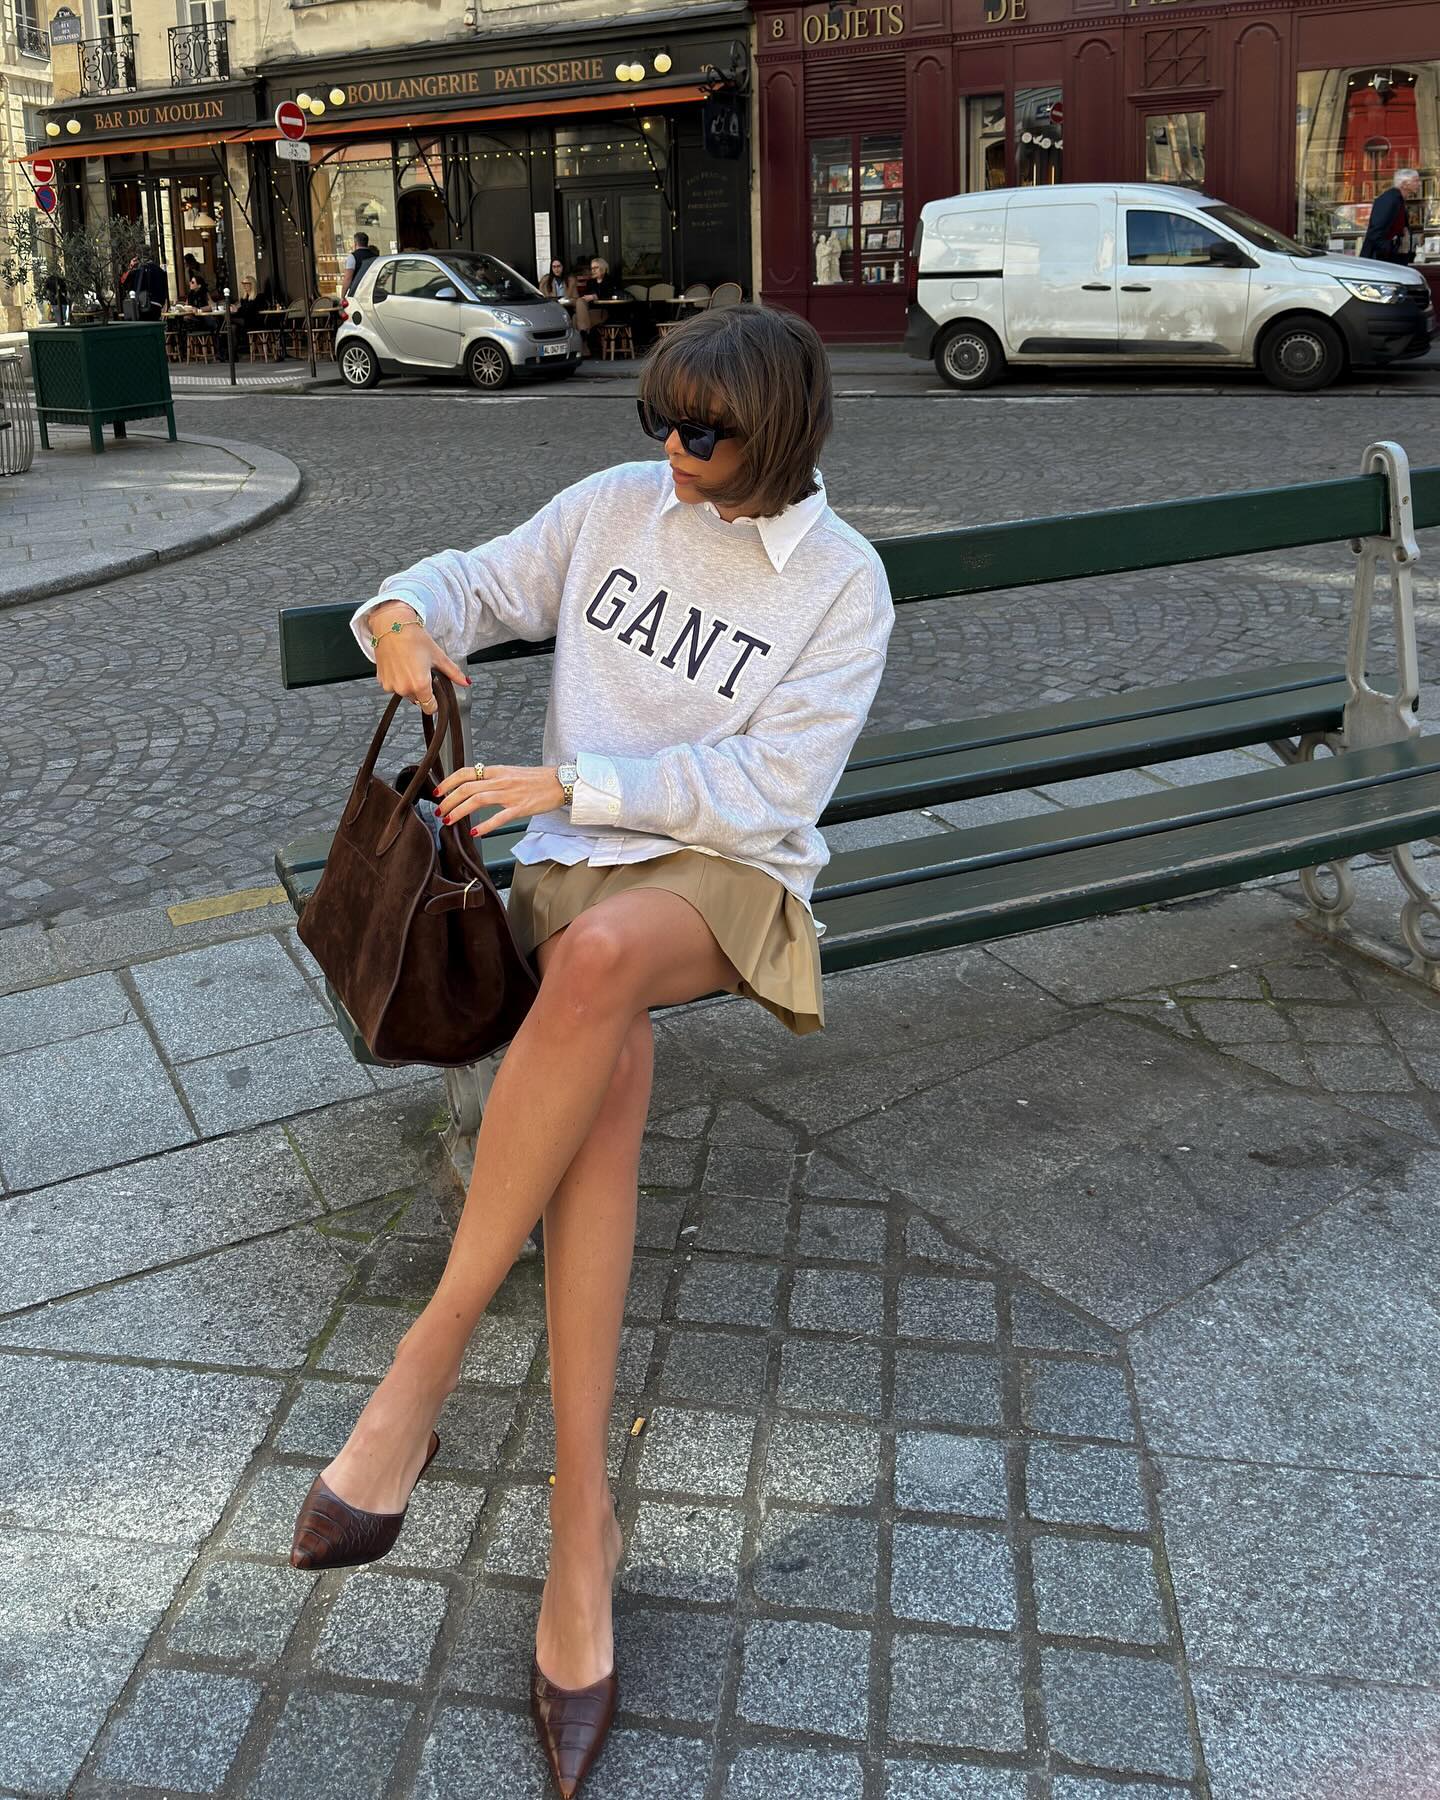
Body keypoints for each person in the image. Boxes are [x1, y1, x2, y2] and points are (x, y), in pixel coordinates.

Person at [292, 304, 894, 1798]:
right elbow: (469, 579)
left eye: (704, 434)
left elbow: (772, 788)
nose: (673, 454)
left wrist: (576, 781)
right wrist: (399, 621)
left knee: (609, 966)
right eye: (660, 425)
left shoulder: (840, 582)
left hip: (723, 881)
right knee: (602, 1064)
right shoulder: (617, 508)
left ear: (778, 434)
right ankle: (581, 1530)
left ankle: (423, 1369)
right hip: (575, 878)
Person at [1361, 168, 1422, 264]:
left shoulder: (1398, 200)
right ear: (1404, 184)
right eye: (1416, 181)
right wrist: (1390, 249)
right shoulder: (1389, 200)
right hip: (1382, 261)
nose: (1419, 184)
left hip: (1390, 258)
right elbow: (1375, 232)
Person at [342, 231, 379, 298]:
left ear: (355, 243)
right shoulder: (375, 256)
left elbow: (348, 278)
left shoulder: (353, 257)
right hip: (372, 292)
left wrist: (342, 296)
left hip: (357, 293)